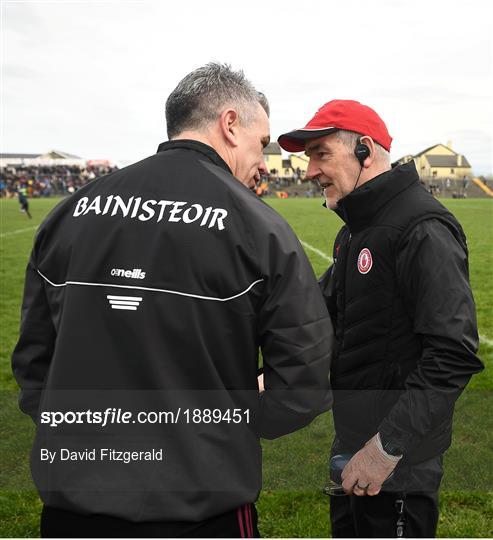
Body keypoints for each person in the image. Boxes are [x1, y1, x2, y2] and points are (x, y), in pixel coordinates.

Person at [12, 64, 333, 538]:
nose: (264, 162)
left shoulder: (70, 212)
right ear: (229, 124)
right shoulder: (259, 227)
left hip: (74, 503)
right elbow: (303, 379)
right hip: (201, 506)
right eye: (260, 143)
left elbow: (32, 364)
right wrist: (231, 428)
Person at [278, 99, 483, 538]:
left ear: (365, 151)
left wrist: (387, 447)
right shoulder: (354, 229)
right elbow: (320, 317)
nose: (308, 171)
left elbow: (452, 353)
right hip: (353, 445)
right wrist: (269, 373)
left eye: (320, 154)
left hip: (398, 463)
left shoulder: (422, 228)